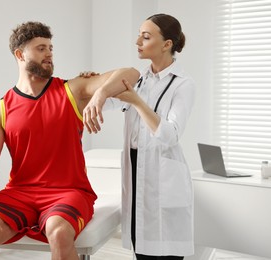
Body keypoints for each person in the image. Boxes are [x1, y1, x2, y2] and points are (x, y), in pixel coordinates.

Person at [0, 21, 139, 260]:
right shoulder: (0, 109)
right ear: (19, 54)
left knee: (59, 233)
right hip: (20, 193)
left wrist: (100, 93)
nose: (49, 54)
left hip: (69, 192)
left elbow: (131, 73)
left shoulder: (72, 90)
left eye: (50, 48)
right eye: (41, 48)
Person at [83, 14, 195, 259]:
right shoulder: (138, 79)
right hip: (136, 170)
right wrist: (96, 87)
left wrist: (137, 101)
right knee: (141, 250)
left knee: (164, 252)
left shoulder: (182, 84)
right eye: (139, 35)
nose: (137, 41)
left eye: (146, 37)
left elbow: (170, 135)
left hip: (162, 174)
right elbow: (109, 103)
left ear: (167, 44)